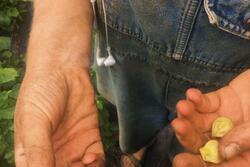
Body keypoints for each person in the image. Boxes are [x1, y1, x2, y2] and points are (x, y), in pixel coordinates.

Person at [14, 0, 250, 167]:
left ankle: (168, 149)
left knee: (195, 131)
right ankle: (138, 145)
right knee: (132, 113)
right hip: (128, 50)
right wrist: (58, 60)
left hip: (228, 79)